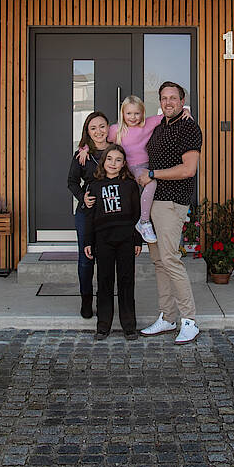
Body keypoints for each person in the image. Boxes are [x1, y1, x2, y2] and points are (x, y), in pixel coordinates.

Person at [138, 81, 204, 344]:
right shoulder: (160, 125)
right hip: (152, 202)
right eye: (164, 98)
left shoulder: (188, 128)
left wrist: (152, 174)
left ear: (182, 100)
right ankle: (167, 317)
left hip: (171, 202)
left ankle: (189, 320)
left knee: (170, 259)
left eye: (173, 98)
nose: (168, 102)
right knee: (159, 262)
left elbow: (188, 170)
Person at [78, 96, 191, 243]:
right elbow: (100, 139)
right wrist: (85, 148)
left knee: (161, 178)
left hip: (147, 166)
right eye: (129, 113)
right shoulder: (116, 129)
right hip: (132, 167)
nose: (133, 117)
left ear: (143, 113)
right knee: (151, 184)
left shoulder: (148, 123)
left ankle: (174, 213)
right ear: (122, 114)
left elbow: (170, 113)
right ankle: (144, 222)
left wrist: (186, 112)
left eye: (137, 113)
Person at [82, 144, 144, 340]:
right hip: (103, 240)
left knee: (126, 282)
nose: (113, 163)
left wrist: (137, 239)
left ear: (124, 163)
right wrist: (88, 241)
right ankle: (103, 325)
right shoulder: (94, 185)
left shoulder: (130, 185)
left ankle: (129, 325)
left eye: (118, 160)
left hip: (125, 239)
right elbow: (89, 216)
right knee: (104, 282)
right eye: (109, 159)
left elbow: (137, 214)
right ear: (103, 161)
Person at [67, 111, 110, 319]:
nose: (98, 131)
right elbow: (72, 182)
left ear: (109, 128)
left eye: (102, 126)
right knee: (86, 258)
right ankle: (86, 299)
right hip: (87, 213)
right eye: (93, 128)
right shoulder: (82, 155)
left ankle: (104, 301)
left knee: (105, 258)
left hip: (109, 213)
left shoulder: (116, 150)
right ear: (87, 131)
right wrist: (82, 196)